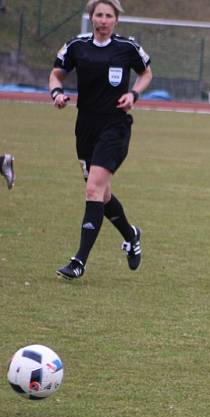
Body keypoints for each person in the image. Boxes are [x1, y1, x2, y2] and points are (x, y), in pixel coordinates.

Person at [49, 0, 152, 280]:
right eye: (99, 15)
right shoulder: (76, 46)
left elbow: (146, 73)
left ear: (116, 20)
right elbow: (56, 74)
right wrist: (56, 93)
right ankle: (131, 235)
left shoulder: (127, 47)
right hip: (86, 128)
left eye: (108, 15)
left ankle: (78, 262)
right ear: (91, 17)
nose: (103, 20)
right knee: (103, 196)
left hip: (115, 127)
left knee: (93, 190)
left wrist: (134, 95)